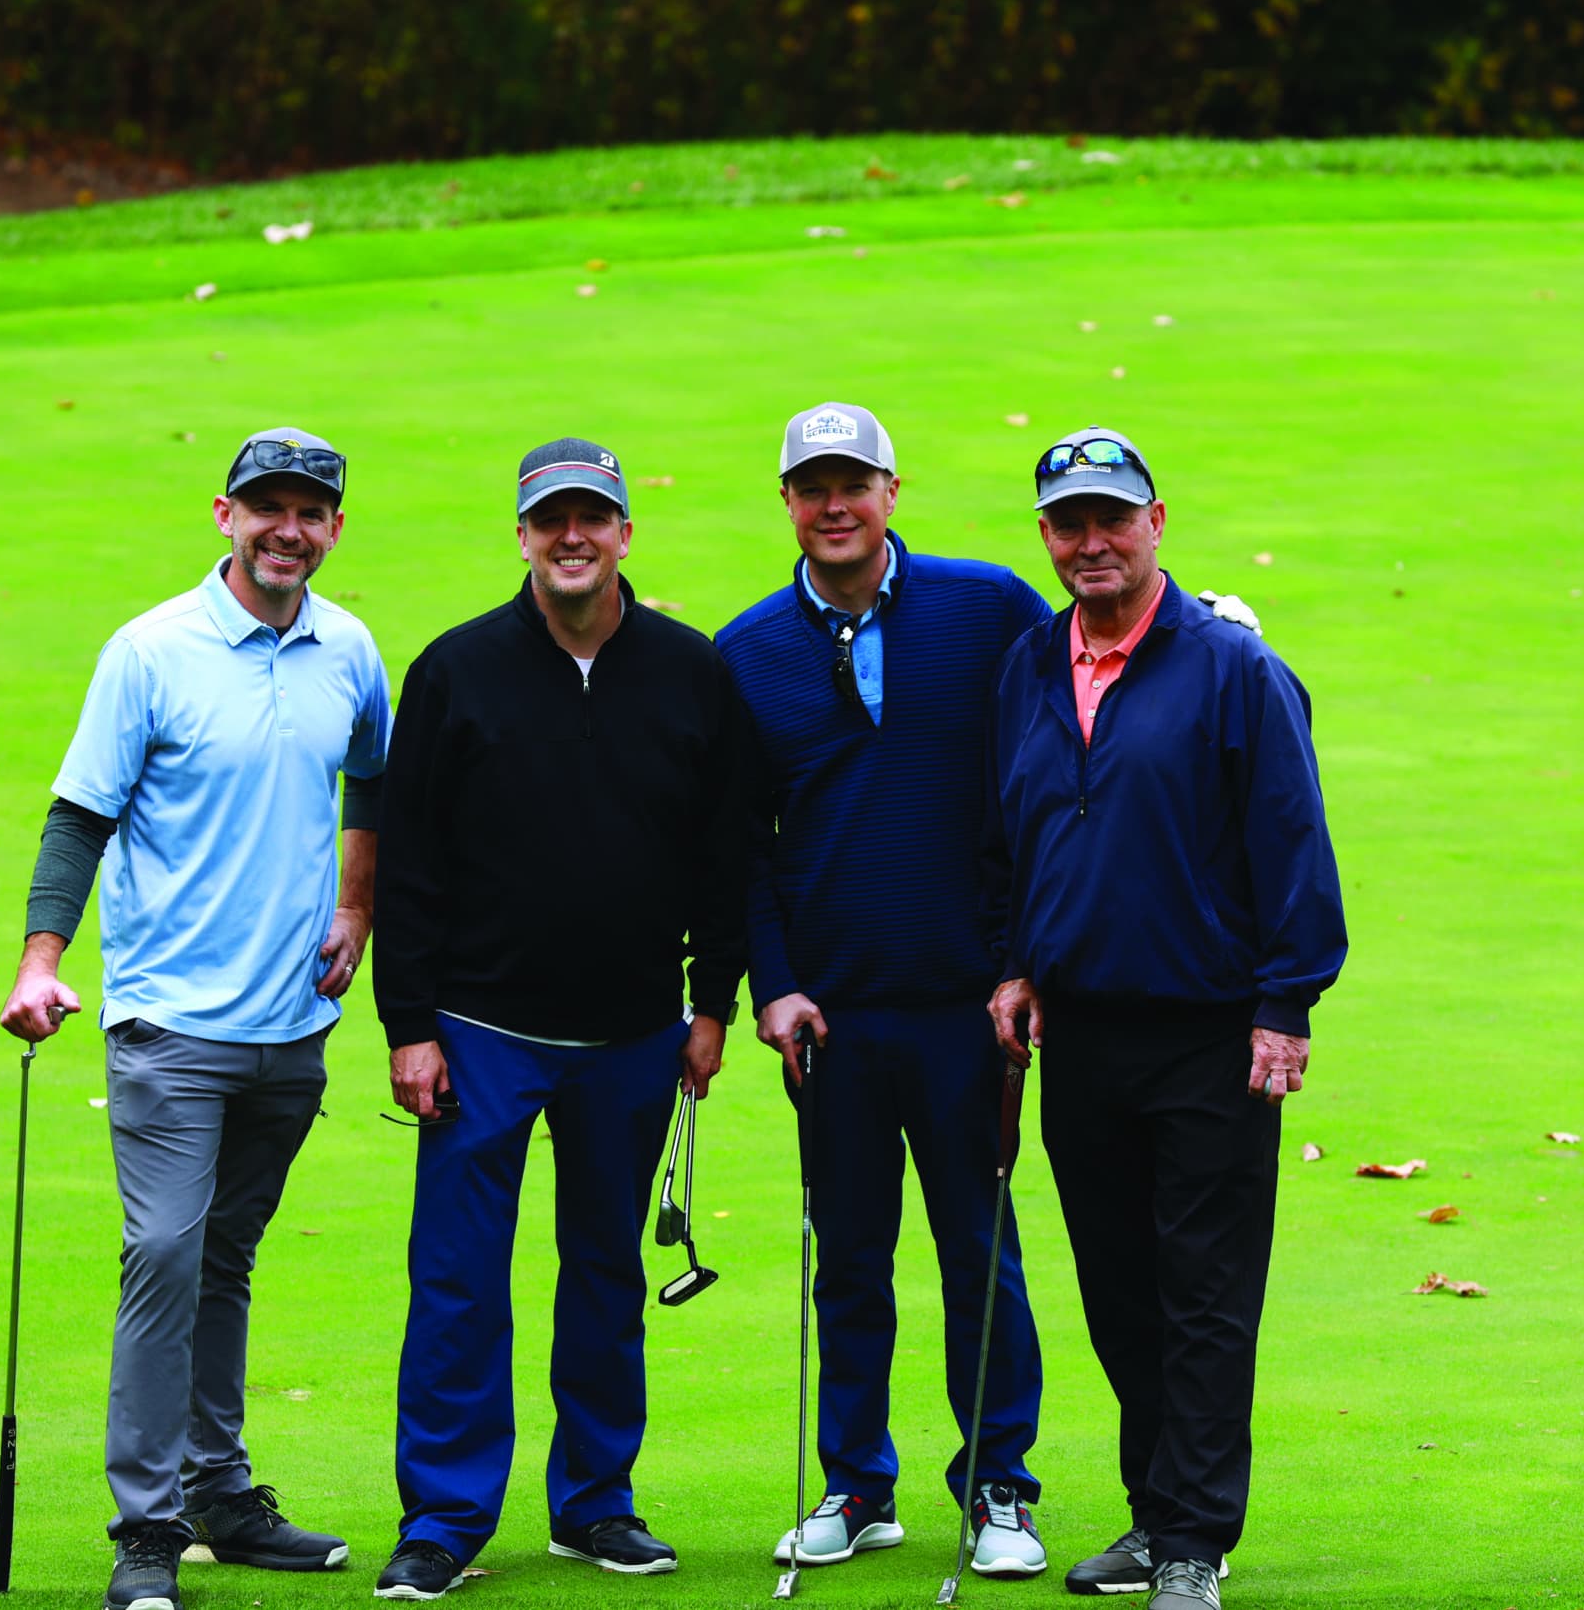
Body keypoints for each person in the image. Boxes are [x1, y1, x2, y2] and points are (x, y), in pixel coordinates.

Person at [0, 427, 391, 1610]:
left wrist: (355, 905)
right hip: (170, 1026)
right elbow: (80, 817)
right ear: (224, 514)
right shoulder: (150, 652)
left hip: (293, 1026)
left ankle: (222, 1493)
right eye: (265, 507)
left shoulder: (350, 649)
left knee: (225, 1257)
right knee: (165, 1255)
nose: (287, 529)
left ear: (332, 526)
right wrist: (40, 959)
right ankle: (147, 1529)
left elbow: (372, 775)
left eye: (309, 511)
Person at [368, 437, 757, 1602]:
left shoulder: (690, 672)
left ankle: (595, 1504)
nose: (571, 537)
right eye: (551, 521)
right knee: (457, 1281)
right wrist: (409, 1025)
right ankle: (444, 1518)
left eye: (593, 518)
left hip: (635, 1035)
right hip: (480, 1031)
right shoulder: (455, 670)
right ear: (524, 534)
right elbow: (413, 862)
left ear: (626, 533)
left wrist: (712, 1003)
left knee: (603, 1277)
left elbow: (724, 854)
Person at [981, 426, 1347, 1610]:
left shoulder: (1233, 667)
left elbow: (1290, 840)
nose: (1091, 541)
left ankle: (1194, 1538)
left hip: (1211, 1033)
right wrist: (1016, 964)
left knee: (1202, 1293)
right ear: (1045, 535)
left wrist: (1285, 1002)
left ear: (1156, 522)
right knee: (1119, 1289)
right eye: (1068, 522)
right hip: (1080, 1033)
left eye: (1111, 517)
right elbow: (1014, 836)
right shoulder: (1033, 664)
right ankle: (1154, 1512)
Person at [714, 402, 1053, 1578]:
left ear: (892, 491)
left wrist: (1023, 961)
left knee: (980, 1249)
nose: (835, 504)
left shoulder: (990, 607)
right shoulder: (746, 651)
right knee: (848, 1256)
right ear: (789, 505)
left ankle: (1000, 1486)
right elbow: (743, 849)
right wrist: (775, 985)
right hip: (832, 1021)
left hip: (971, 1005)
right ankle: (858, 1485)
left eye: (854, 481)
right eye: (812, 486)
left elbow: (1050, 769)